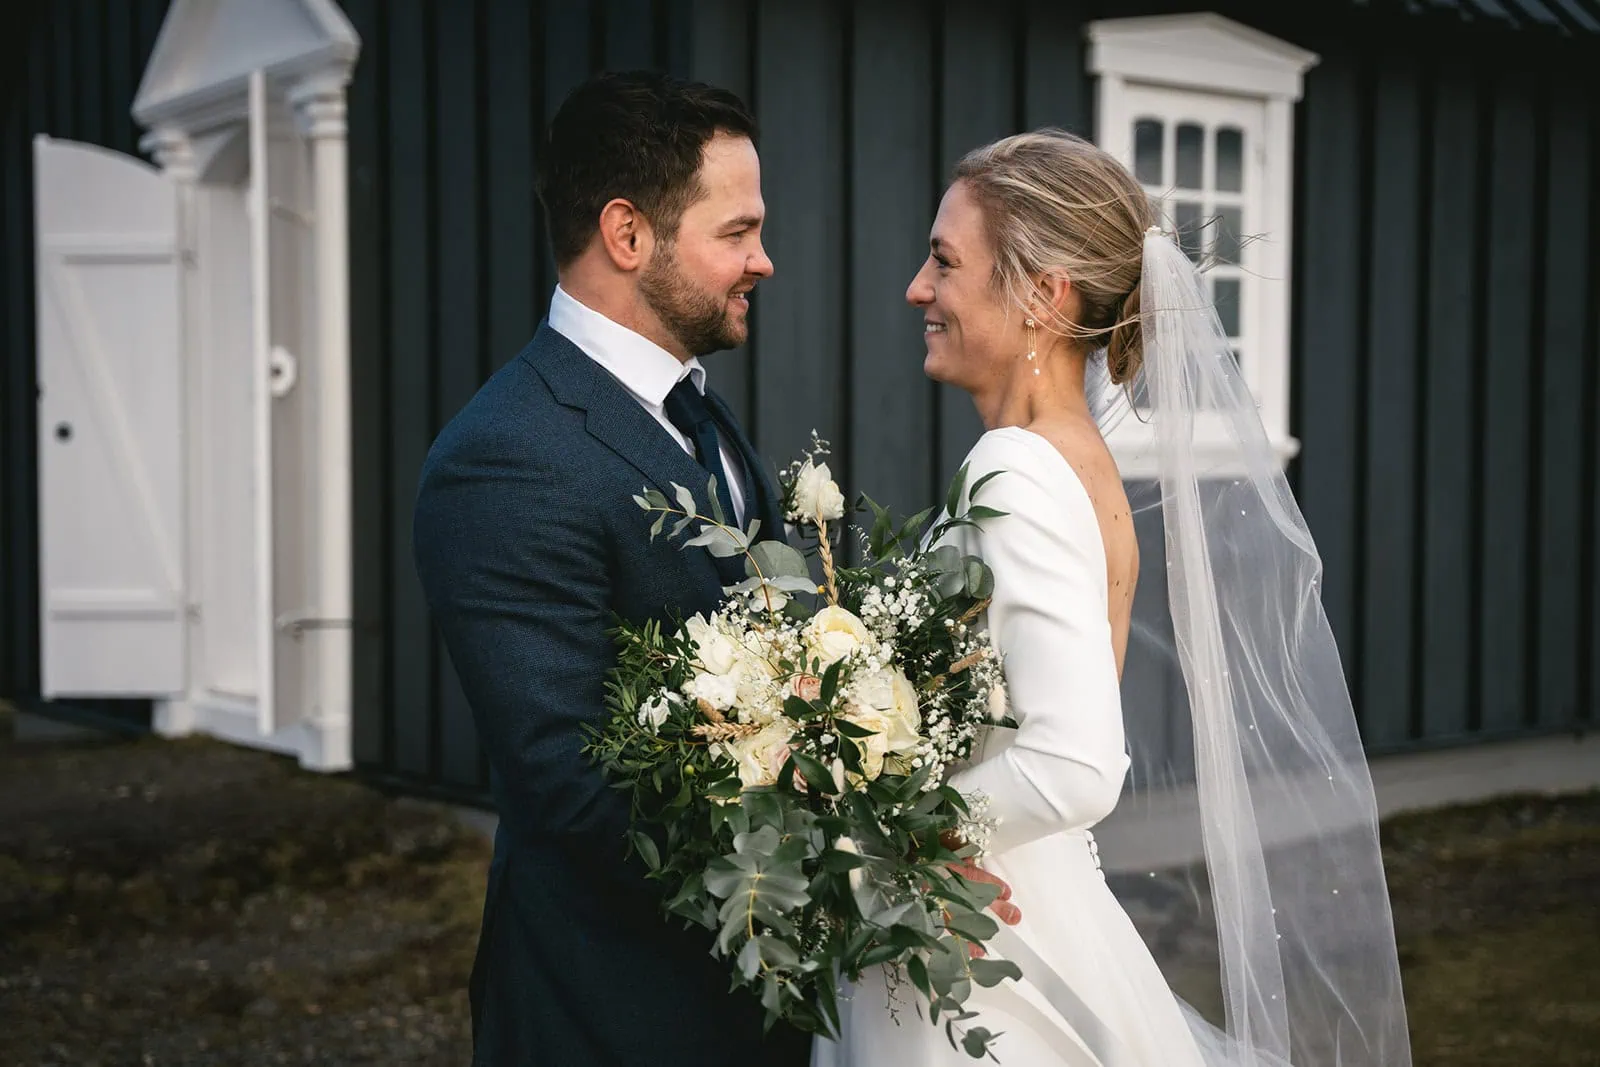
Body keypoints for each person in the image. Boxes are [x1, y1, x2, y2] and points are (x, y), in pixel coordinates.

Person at [814, 130, 1412, 1066]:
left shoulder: (1016, 470)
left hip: (986, 933)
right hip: (1022, 900)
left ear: (1043, 295)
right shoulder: (1082, 467)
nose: (917, 288)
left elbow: (1076, 763)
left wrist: (900, 838)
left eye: (944, 260)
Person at [412, 70, 812, 1067]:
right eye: (737, 232)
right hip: (614, 1009)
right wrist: (840, 841)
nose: (764, 259)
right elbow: (578, 787)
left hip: (763, 997)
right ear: (627, 234)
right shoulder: (503, 457)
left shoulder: (699, 412)